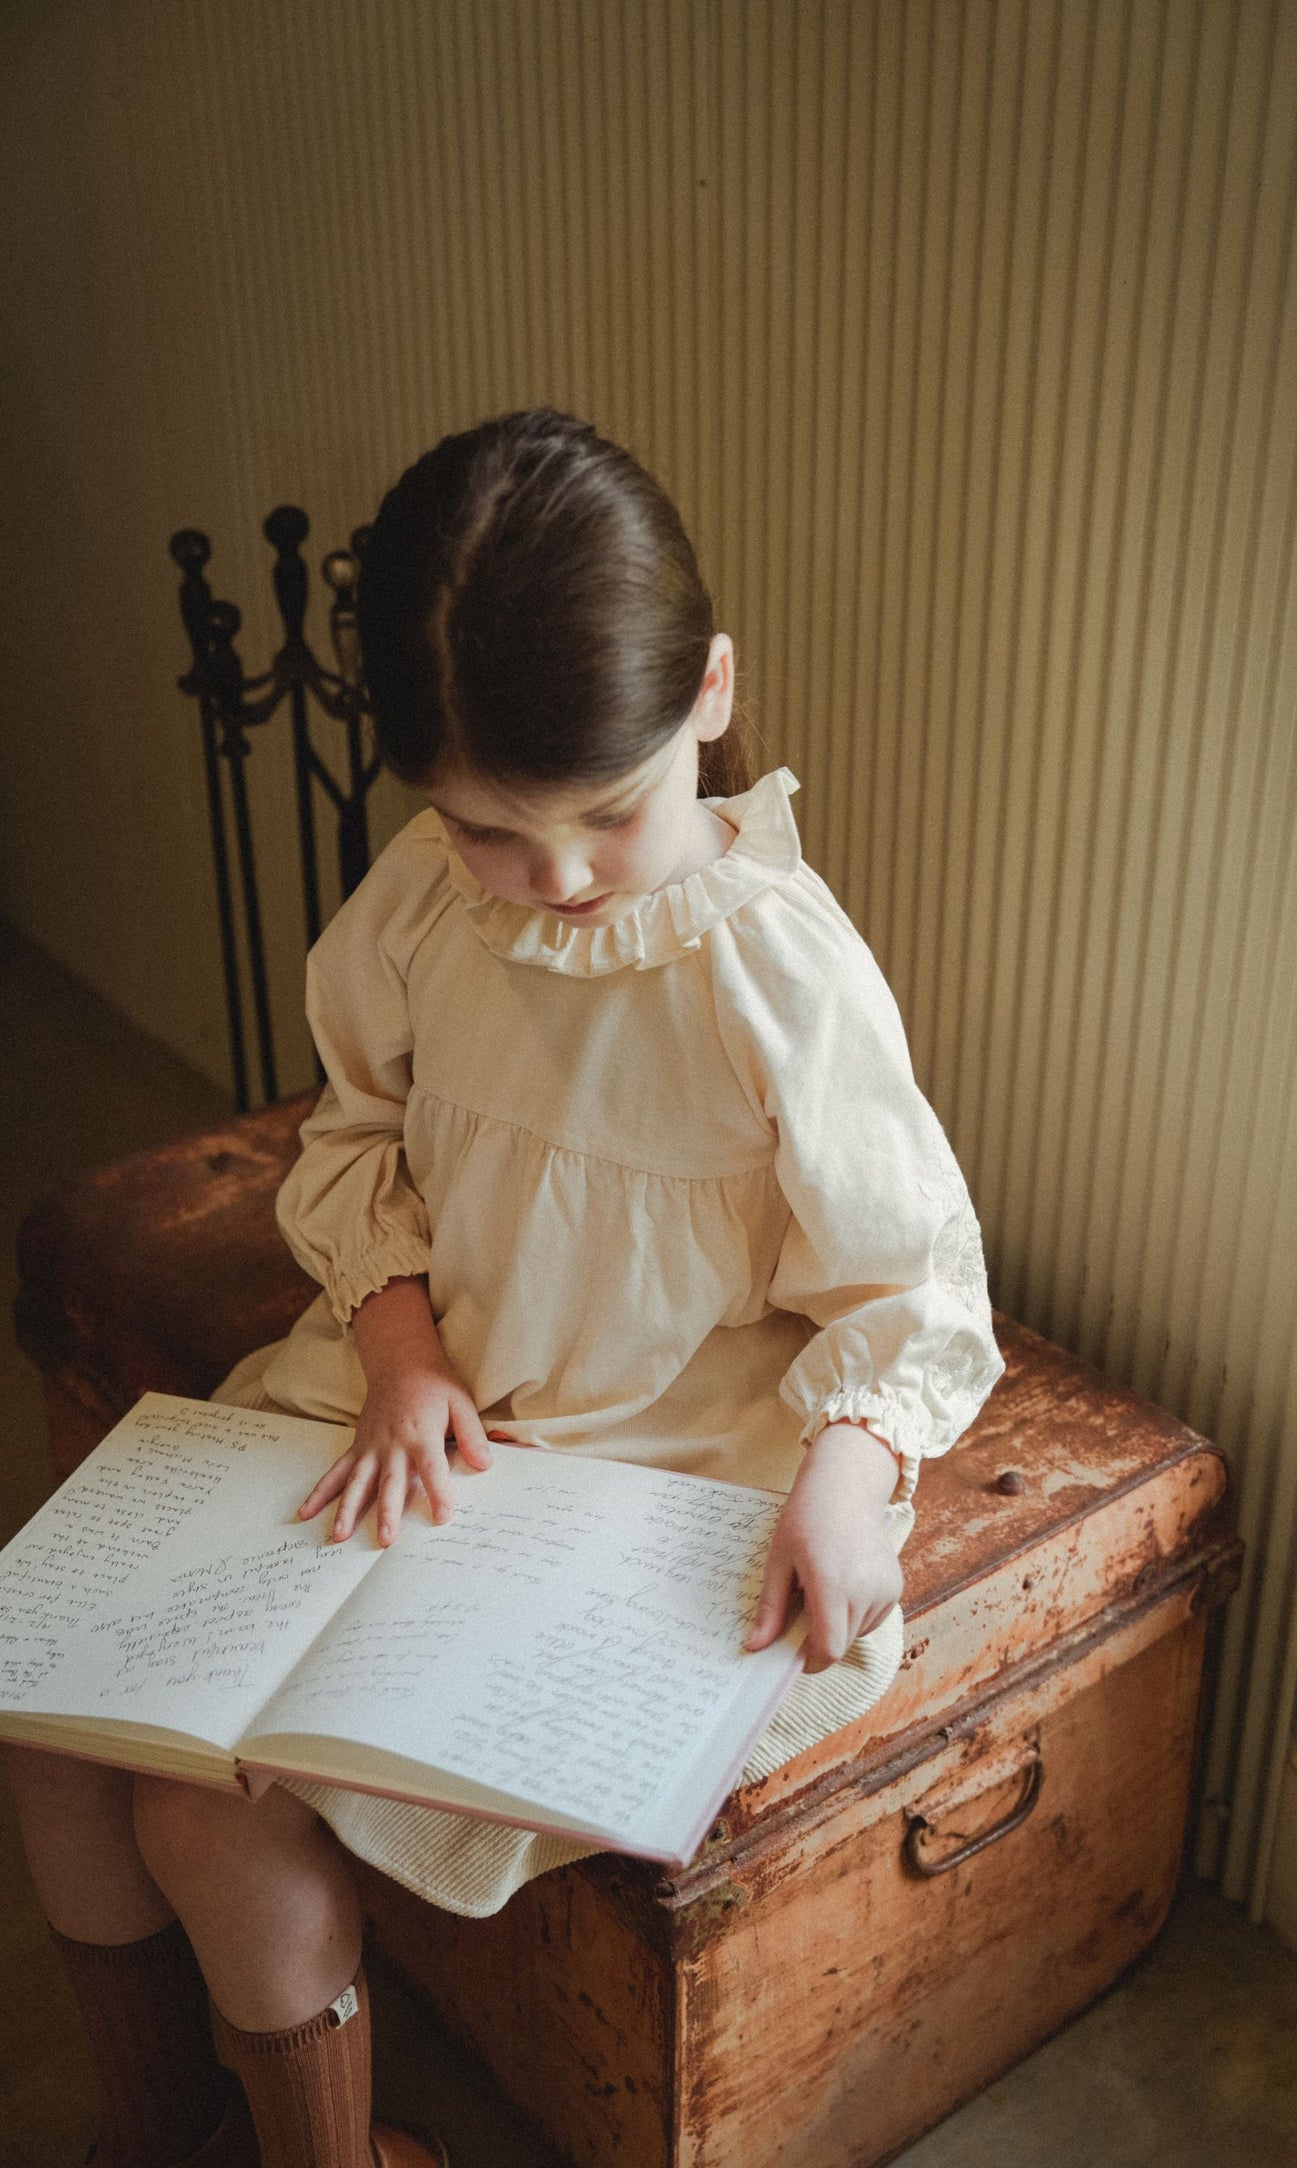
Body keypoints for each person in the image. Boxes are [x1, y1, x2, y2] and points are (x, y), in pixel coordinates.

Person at [6, 409, 1004, 2168]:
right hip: (427, 1393)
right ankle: (160, 2130)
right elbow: (349, 1142)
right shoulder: (417, 902)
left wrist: (853, 1475)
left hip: (654, 1459)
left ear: (707, 693)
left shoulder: (772, 966)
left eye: (604, 820)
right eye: (484, 831)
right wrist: (396, 1345)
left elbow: (912, 1283)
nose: (548, 887)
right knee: (63, 1730)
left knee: (211, 1820)